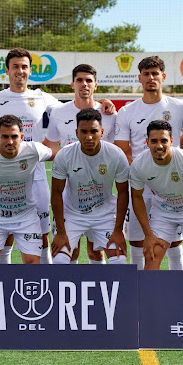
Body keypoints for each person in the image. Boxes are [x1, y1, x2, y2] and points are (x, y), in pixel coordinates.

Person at [0, 48, 63, 264]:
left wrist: (100, 102)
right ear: (7, 71)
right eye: (15, 66)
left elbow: (70, 113)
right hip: (3, 175)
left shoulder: (41, 96)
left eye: (24, 66)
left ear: (30, 70)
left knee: (43, 236)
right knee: (5, 236)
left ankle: (47, 283)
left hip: (34, 176)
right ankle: (5, 285)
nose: (20, 71)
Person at [114, 56, 183, 271]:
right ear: (140, 78)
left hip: (173, 184)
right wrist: (147, 169)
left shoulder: (180, 106)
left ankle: (177, 285)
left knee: (175, 241)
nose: (151, 78)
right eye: (146, 74)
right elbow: (122, 149)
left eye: (155, 74)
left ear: (163, 77)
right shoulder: (127, 111)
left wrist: (169, 162)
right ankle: (139, 286)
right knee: (137, 239)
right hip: (141, 184)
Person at [43, 64, 116, 264]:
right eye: (79, 80)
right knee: (69, 250)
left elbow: (118, 152)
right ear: (72, 84)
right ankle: (70, 292)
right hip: (69, 193)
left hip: (100, 193)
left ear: (96, 85)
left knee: (96, 251)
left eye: (89, 80)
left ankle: (96, 292)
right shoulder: (59, 113)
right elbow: (48, 147)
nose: (84, 84)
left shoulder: (109, 114)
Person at [0, 115, 57, 264]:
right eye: (5, 137)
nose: (10, 141)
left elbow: (61, 155)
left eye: (14, 136)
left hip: (25, 217)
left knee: (32, 262)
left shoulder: (33, 150)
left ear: (21, 137)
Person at [129, 120, 183, 270]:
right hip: (163, 211)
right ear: (147, 142)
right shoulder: (139, 164)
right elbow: (136, 197)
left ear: (172, 141)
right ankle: (151, 294)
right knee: (151, 255)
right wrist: (148, 234)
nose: (159, 145)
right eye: (154, 141)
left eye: (164, 141)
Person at [51, 108, 129, 265]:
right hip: (72, 214)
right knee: (60, 260)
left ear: (101, 131)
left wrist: (118, 230)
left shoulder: (116, 154)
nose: (89, 137)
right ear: (76, 132)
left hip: (104, 214)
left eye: (94, 131)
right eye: (84, 131)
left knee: (119, 262)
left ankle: (101, 289)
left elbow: (122, 192)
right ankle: (72, 288)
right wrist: (60, 232)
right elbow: (56, 193)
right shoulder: (64, 155)